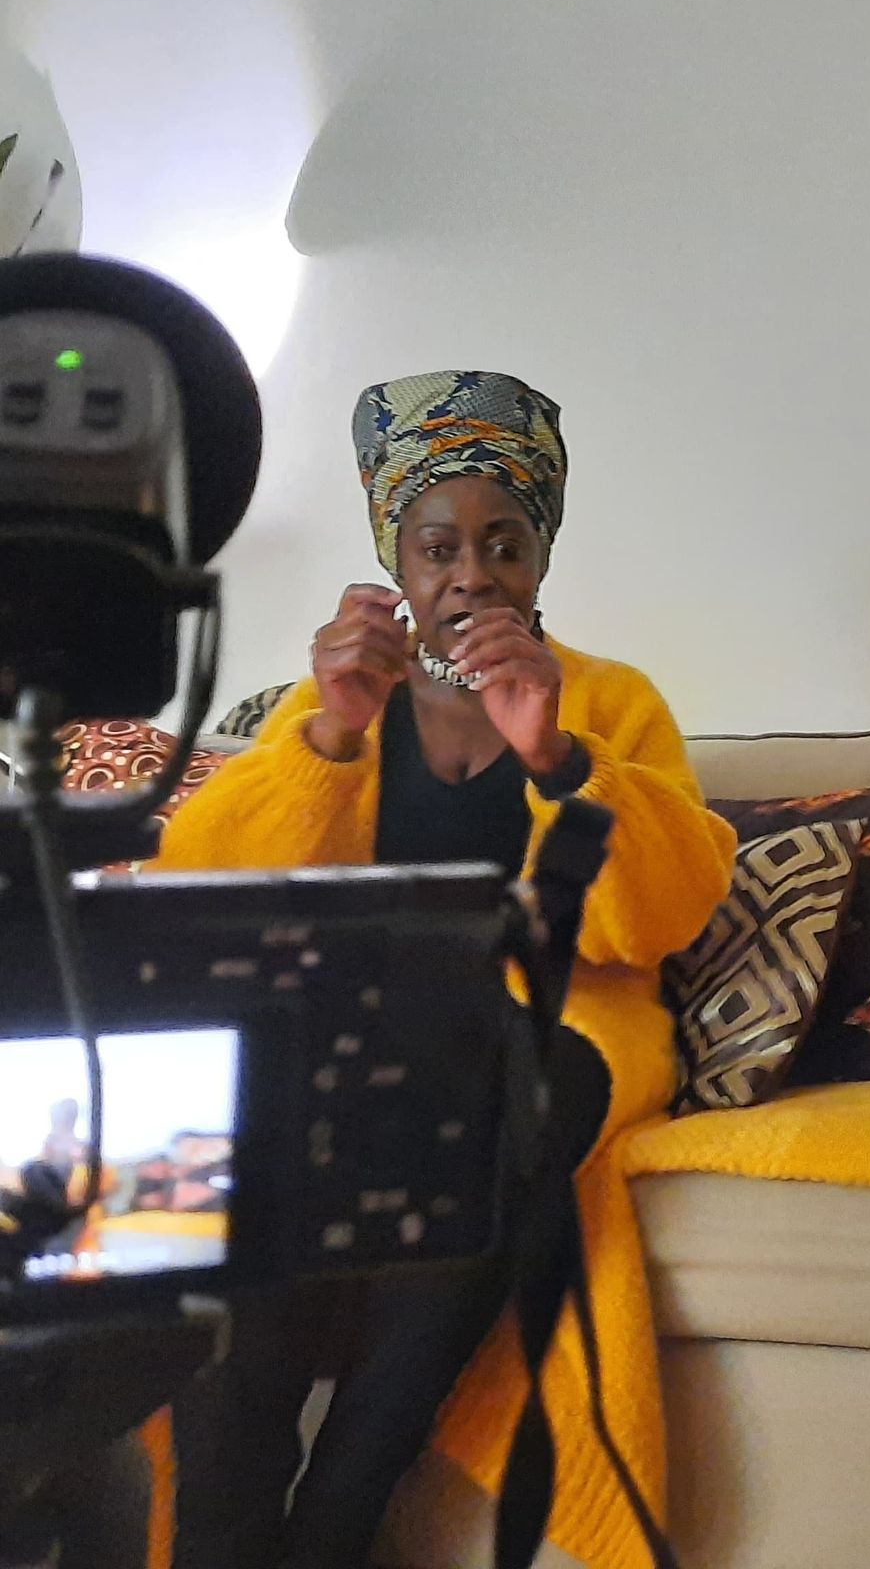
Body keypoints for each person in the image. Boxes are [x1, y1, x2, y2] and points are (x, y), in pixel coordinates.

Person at [155, 370, 736, 1569]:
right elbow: (206, 886)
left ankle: (338, 1517)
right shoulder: (336, 701)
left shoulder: (610, 699)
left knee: (507, 1093)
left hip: (550, 1032)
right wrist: (328, 735)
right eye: (438, 546)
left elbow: (659, 916)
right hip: (354, 1027)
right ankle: (224, 1536)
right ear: (397, 560)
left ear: (541, 555)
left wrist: (560, 755)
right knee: (246, 1140)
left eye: (503, 542)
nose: (471, 572)